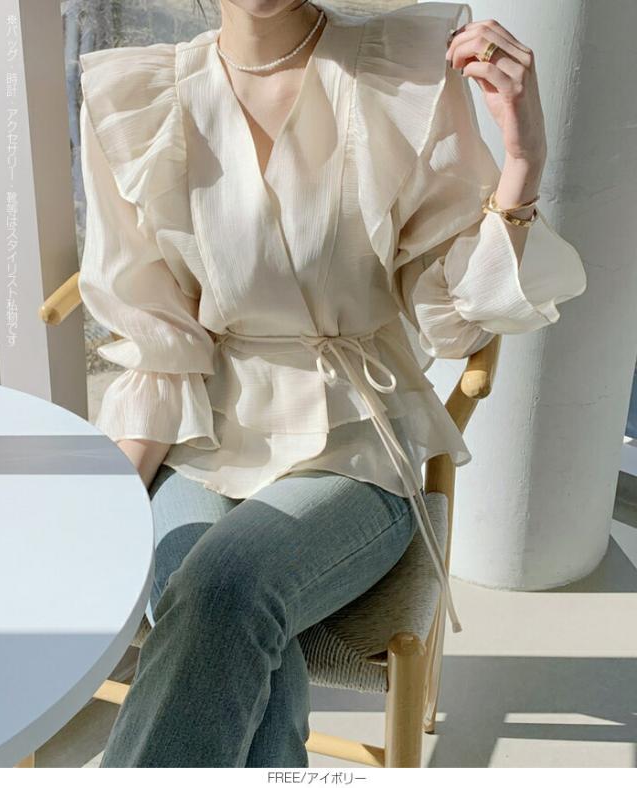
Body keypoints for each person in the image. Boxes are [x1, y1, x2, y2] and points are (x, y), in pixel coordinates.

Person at [77, 0, 586, 767]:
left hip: (355, 444)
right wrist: (109, 503)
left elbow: (455, 321)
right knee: (223, 615)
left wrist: (523, 159)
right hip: (201, 435)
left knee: (220, 588)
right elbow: (158, 334)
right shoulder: (138, 98)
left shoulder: (401, 73)